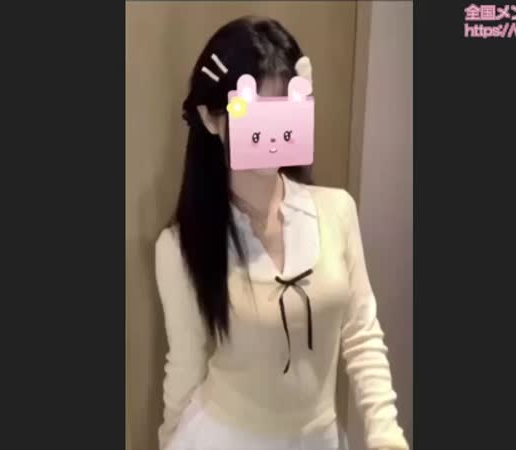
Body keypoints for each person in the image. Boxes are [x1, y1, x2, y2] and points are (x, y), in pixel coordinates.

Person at [155, 16, 410, 450]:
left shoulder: (337, 211)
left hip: (321, 438)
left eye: (284, 112)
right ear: (211, 118)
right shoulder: (180, 247)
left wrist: (386, 432)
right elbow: (185, 365)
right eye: (255, 114)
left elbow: (361, 332)